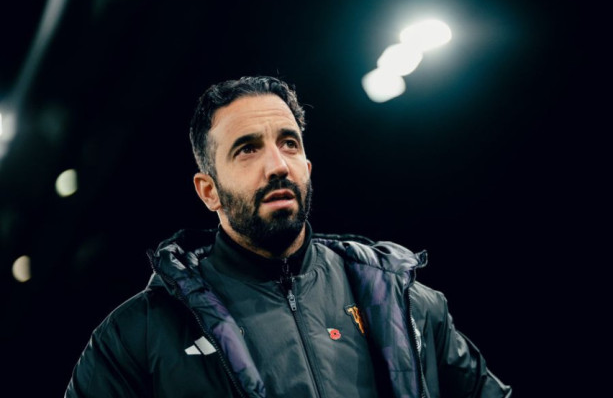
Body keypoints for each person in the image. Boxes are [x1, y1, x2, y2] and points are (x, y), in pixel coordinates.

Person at [65, 76, 511, 398]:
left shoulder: (405, 300)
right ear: (208, 191)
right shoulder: (136, 336)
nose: (277, 165)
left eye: (289, 143)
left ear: (307, 169)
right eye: (247, 149)